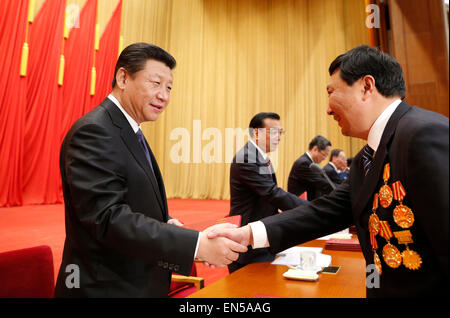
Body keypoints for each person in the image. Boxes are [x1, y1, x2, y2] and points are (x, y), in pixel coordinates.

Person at [209, 45, 449, 297]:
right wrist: (248, 234)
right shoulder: (366, 158)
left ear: (367, 87)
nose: (328, 109)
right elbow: (324, 213)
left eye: (332, 92)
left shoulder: (423, 134)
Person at [54, 43, 247, 297]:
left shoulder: (130, 130)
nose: (164, 96)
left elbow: (131, 203)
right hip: (104, 287)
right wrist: (195, 246)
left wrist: (170, 227)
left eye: (168, 88)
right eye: (155, 83)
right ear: (123, 78)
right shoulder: (95, 131)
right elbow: (107, 219)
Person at [227, 112, 305, 273]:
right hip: (248, 241)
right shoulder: (247, 157)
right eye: (274, 132)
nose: (279, 137)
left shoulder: (259, 157)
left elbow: (269, 193)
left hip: (261, 235)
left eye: (280, 132)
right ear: (256, 132)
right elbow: (272, 192)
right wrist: (311, 209)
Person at [287, 135, 333, 200]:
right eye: (324, 155)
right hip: (300, 206)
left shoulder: (311, 163)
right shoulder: (304, 163)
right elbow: (321, 183)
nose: (324, 159)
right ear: (315, 149)